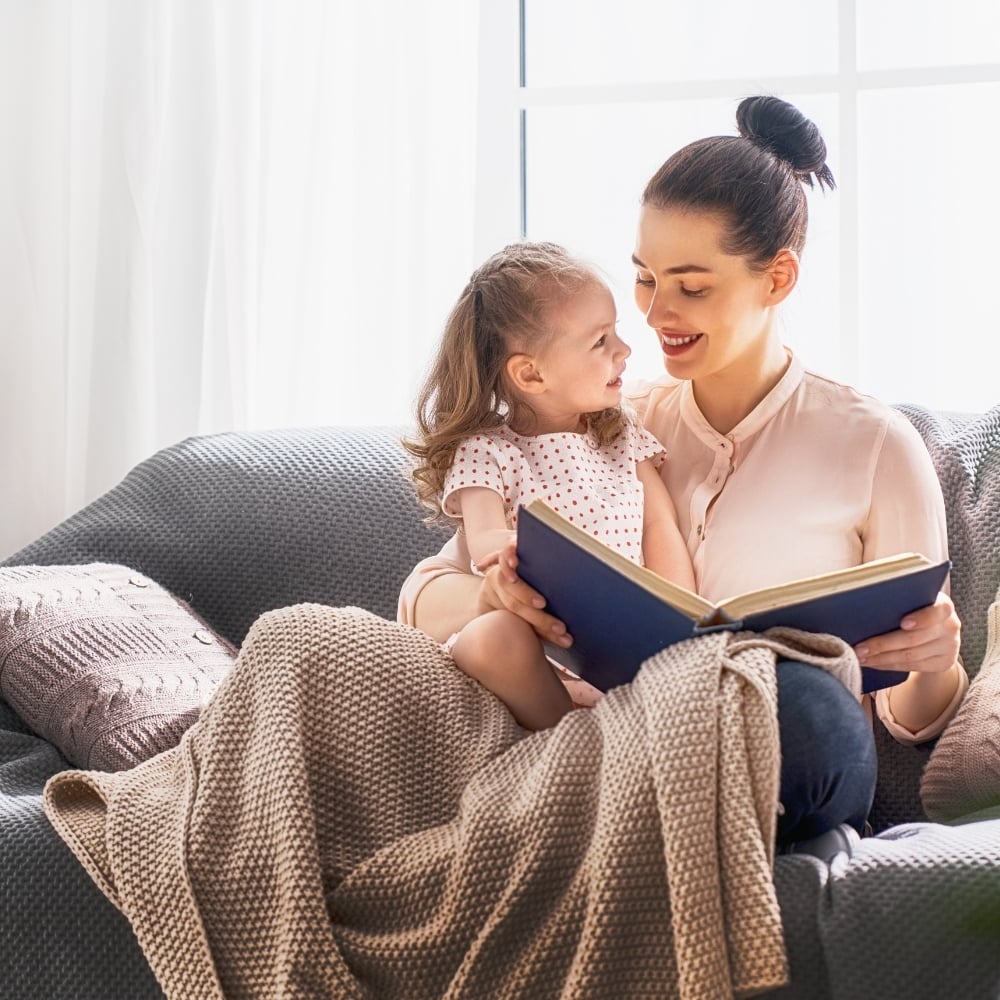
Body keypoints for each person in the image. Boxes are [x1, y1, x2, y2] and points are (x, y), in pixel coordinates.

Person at [398, 95, 968, 851]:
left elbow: (909, 717)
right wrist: (495, 595)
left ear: (778, 278)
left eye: (691, 286)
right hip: (621, 727)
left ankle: (642, 798)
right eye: (645, 278)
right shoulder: (601, 421)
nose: (654, 313)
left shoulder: (876, 446)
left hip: (793, 746)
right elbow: (421, 598)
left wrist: (937, 664)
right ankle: (622, 806)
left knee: (806, 707)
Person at [403, 242, 695, 730]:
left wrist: (681, 619)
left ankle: (591, 736)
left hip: (618, 647)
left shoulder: (622, 435)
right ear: (531, 373)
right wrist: (527, 556)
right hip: (536, 645)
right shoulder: (489, 450)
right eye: (600, 341)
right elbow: (485, 540)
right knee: (492, 637)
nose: (624, 350)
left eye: (616, 331)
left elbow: (659, 524)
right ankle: (573, 747)